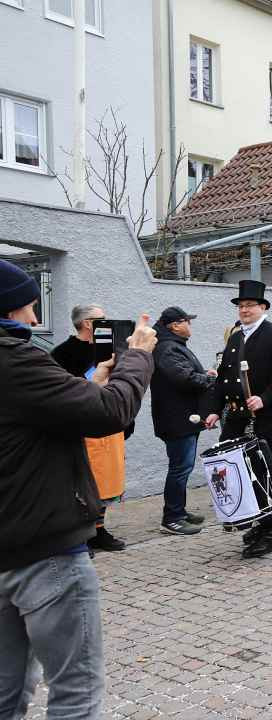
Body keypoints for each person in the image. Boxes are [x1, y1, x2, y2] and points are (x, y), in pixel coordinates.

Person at [0, 259, 157, 719]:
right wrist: (139, 357)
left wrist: (92, 382)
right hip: (43, 550)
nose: (33, 319)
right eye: (28, 308)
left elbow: (30, 411)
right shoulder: (14, 357)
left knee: (5, 695)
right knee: (76, 694)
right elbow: (110, 412)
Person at [204, 280, 272, 559]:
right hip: (234, 417)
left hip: (262, 417)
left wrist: (264, 398)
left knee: (259, 473)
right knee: (234, 472)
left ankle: (267, 529)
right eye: (241, 306)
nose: (244, 310)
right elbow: (223, 379)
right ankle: (252, 520)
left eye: (249, 305)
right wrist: (212, 409)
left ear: (263, 307)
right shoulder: (236, 337)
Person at [52, 303, 128, 552]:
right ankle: (79, 533)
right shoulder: (62, 354)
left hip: (108, 426)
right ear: (87, 323)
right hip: (82, 430)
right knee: (83, 484)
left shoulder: (107, 349)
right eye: (102, 318)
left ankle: (98, 530)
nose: (108, 321)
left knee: (107, 483)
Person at [151, 306, 215, 535]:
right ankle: (172, 518)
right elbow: (184, 378)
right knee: (180, 467)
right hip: (177, 419)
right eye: (187, 321)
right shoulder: (168, 348)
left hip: (182, 417)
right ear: (175, 325)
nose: (190, 325)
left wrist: (204, 376)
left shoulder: (172, 346)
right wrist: (208, 379)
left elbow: (185, 374)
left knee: (183, 467)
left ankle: (179, 510)